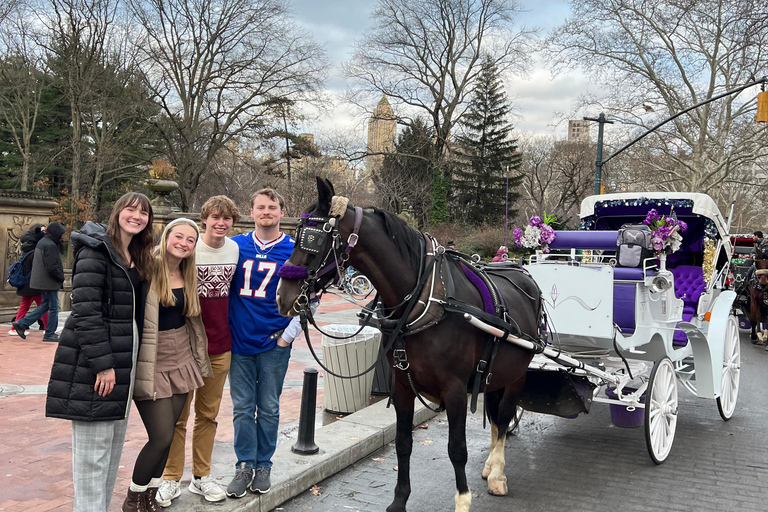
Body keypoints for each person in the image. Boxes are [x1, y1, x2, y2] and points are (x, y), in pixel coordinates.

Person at [45, 192, 155, 512]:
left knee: (110, 455)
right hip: (97, 363)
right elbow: (85, 311)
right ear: (118, 212)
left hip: (125, 359)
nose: (136, 216)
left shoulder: (136, 254)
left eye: (143, 213)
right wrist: (103, 365)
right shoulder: (96, 250)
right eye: (131, 210)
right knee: (92, 458)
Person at [122, 218, 213, 512]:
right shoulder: (146, 268)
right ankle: (133, 498)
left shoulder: (188, 272)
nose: (184, 243)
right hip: (153, 356)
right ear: (167, 236)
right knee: (160, 436)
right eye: (179, 236)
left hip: (182, 355)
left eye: (190, 239)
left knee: (171, 432)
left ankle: (149, 497)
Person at [157, 197, 240, 507]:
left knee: (208, 415)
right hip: (186, 346)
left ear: (233, 222)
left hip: (220, 345)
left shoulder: (234, 249)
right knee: (177, 417)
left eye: (227, 217)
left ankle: (202, 476)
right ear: (204, 218)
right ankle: (171, 477)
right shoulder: (188, 251)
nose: (220, 222)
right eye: (214, 217)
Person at [226, 188, 304, 498]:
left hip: (274, 340)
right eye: (261, 207)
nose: (266, 212)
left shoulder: (294, 250)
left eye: (272, 207)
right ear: (252, 211)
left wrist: (287, 336)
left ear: (282, 212)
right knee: (243, 408)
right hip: (239, 340)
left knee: (269, 407)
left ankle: (263, 465)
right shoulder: (235, 245)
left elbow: (309, 298)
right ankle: (244, 464)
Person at [12, 221, 66, 342]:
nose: (62, 237)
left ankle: (21, 323)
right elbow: (52, 267)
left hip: (42, 280)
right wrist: (61, 277)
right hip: (49, 281)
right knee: (54, 307)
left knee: (46, 305)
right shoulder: (50, 245)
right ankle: (50, 333)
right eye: (61, 234)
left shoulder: (42, 242)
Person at [9, 223, 47, 336]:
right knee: (44, 305)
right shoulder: (36, 250)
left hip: (25, 283)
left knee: (25, 305)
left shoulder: (26, 247)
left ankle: (15, 327)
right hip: (34, 283)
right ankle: (48, 327)